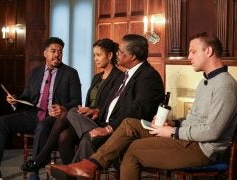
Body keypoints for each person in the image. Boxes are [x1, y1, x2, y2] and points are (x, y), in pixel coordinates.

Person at [46, 32, 237, 180]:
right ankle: (89, 165)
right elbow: (197, 121)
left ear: (208, 51)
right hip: (186, 138)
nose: (188, 56)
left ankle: (89, 166)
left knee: (132, 149)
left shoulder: (225, 85)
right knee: (130, 124)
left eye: (193, 51)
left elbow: (212, 132)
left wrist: (173, 132)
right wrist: (175, 123)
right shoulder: (206, 81)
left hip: (200, 149)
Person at [0, 37, 82, 180]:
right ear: (45, 53)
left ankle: (33, 172)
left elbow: (76, 101)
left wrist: (63, 108)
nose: (57, 55)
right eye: (53, 51)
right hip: (33, 115)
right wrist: (15, 101)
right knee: (1, 122)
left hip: (53, 119)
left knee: (42, 127)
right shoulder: (36, 72)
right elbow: (27, 97)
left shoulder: (70, 73)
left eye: (60, 52)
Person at [20, 38, 123, 173]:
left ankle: (40, 159)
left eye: (98, 55)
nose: (95, 59)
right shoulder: (97, 77)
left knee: (68, 113)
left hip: (101, 121)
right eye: (94, 55)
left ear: (109, 56)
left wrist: (93, 110)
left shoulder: (119, 77)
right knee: (64, 136)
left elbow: (115, 105)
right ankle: (72, 173)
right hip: (87, 118)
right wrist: (86, 110)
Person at [63, 34, 165, 164]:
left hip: (121, 130)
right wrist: (97, 111)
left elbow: (138, 111)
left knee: (88, 139)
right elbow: (111, 101)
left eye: (121, 52)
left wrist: (109, 128)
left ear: (132, 56)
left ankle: (73, 174)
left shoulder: (148, 77)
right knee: (72, 112)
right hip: (104, 121)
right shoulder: (127, 73)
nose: (117, 53)